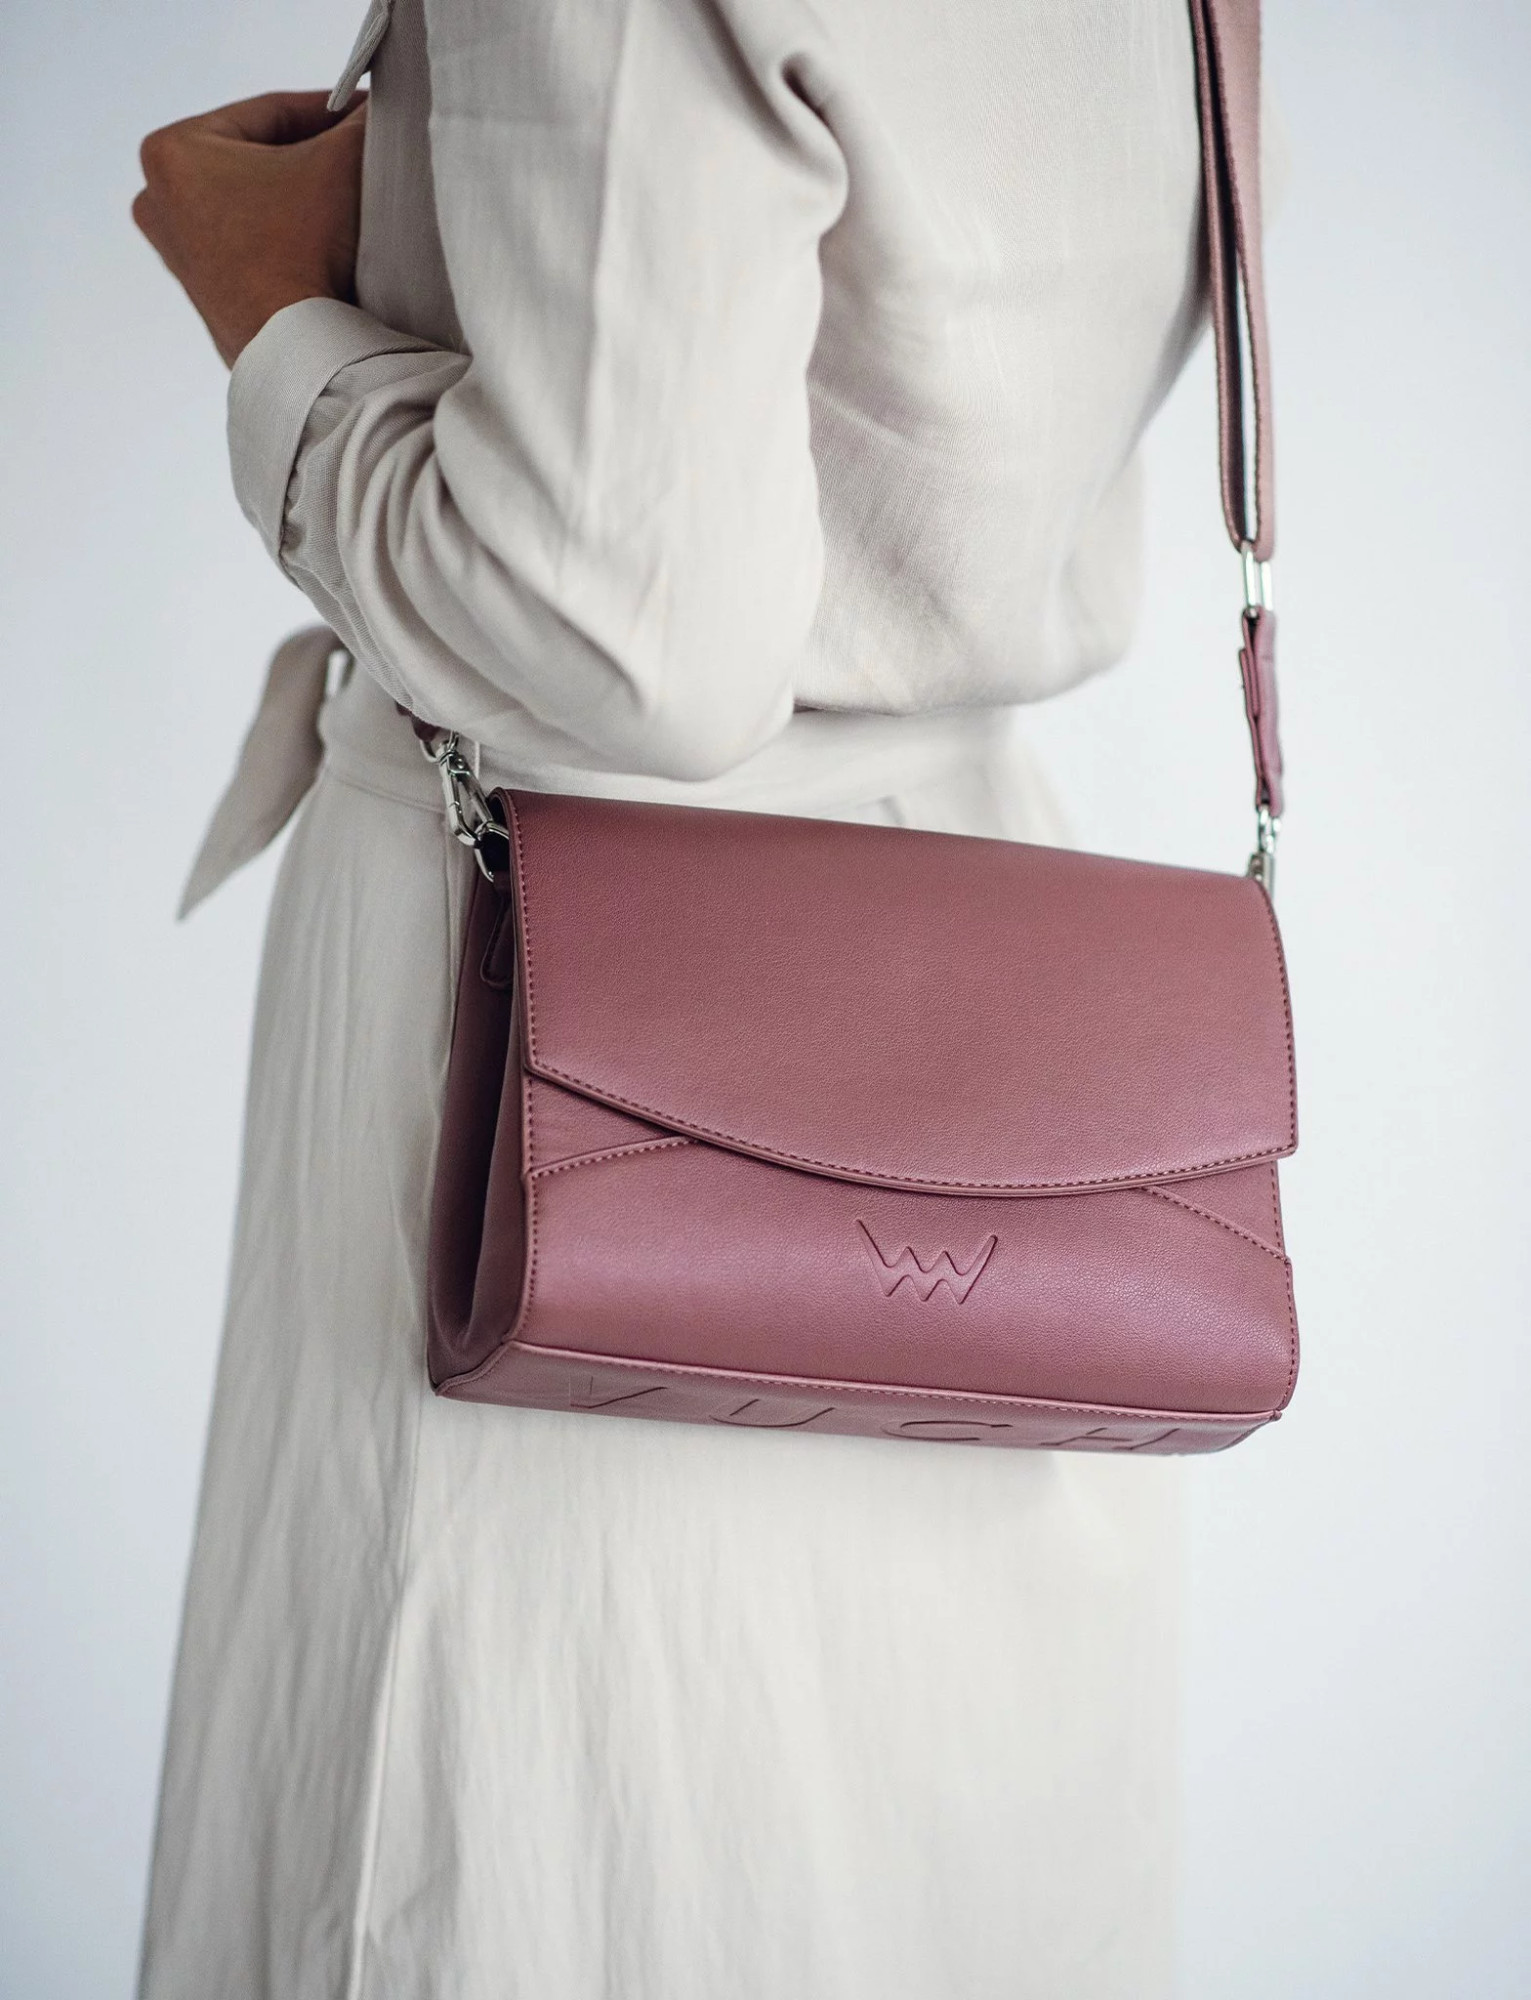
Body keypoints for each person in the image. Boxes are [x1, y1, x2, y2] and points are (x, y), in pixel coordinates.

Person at [133, 1, 1204, 1992]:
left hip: (554, 959)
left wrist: (280, 330)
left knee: (514, 1822)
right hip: (986, 936)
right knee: (911, 1851)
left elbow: (616, 636)